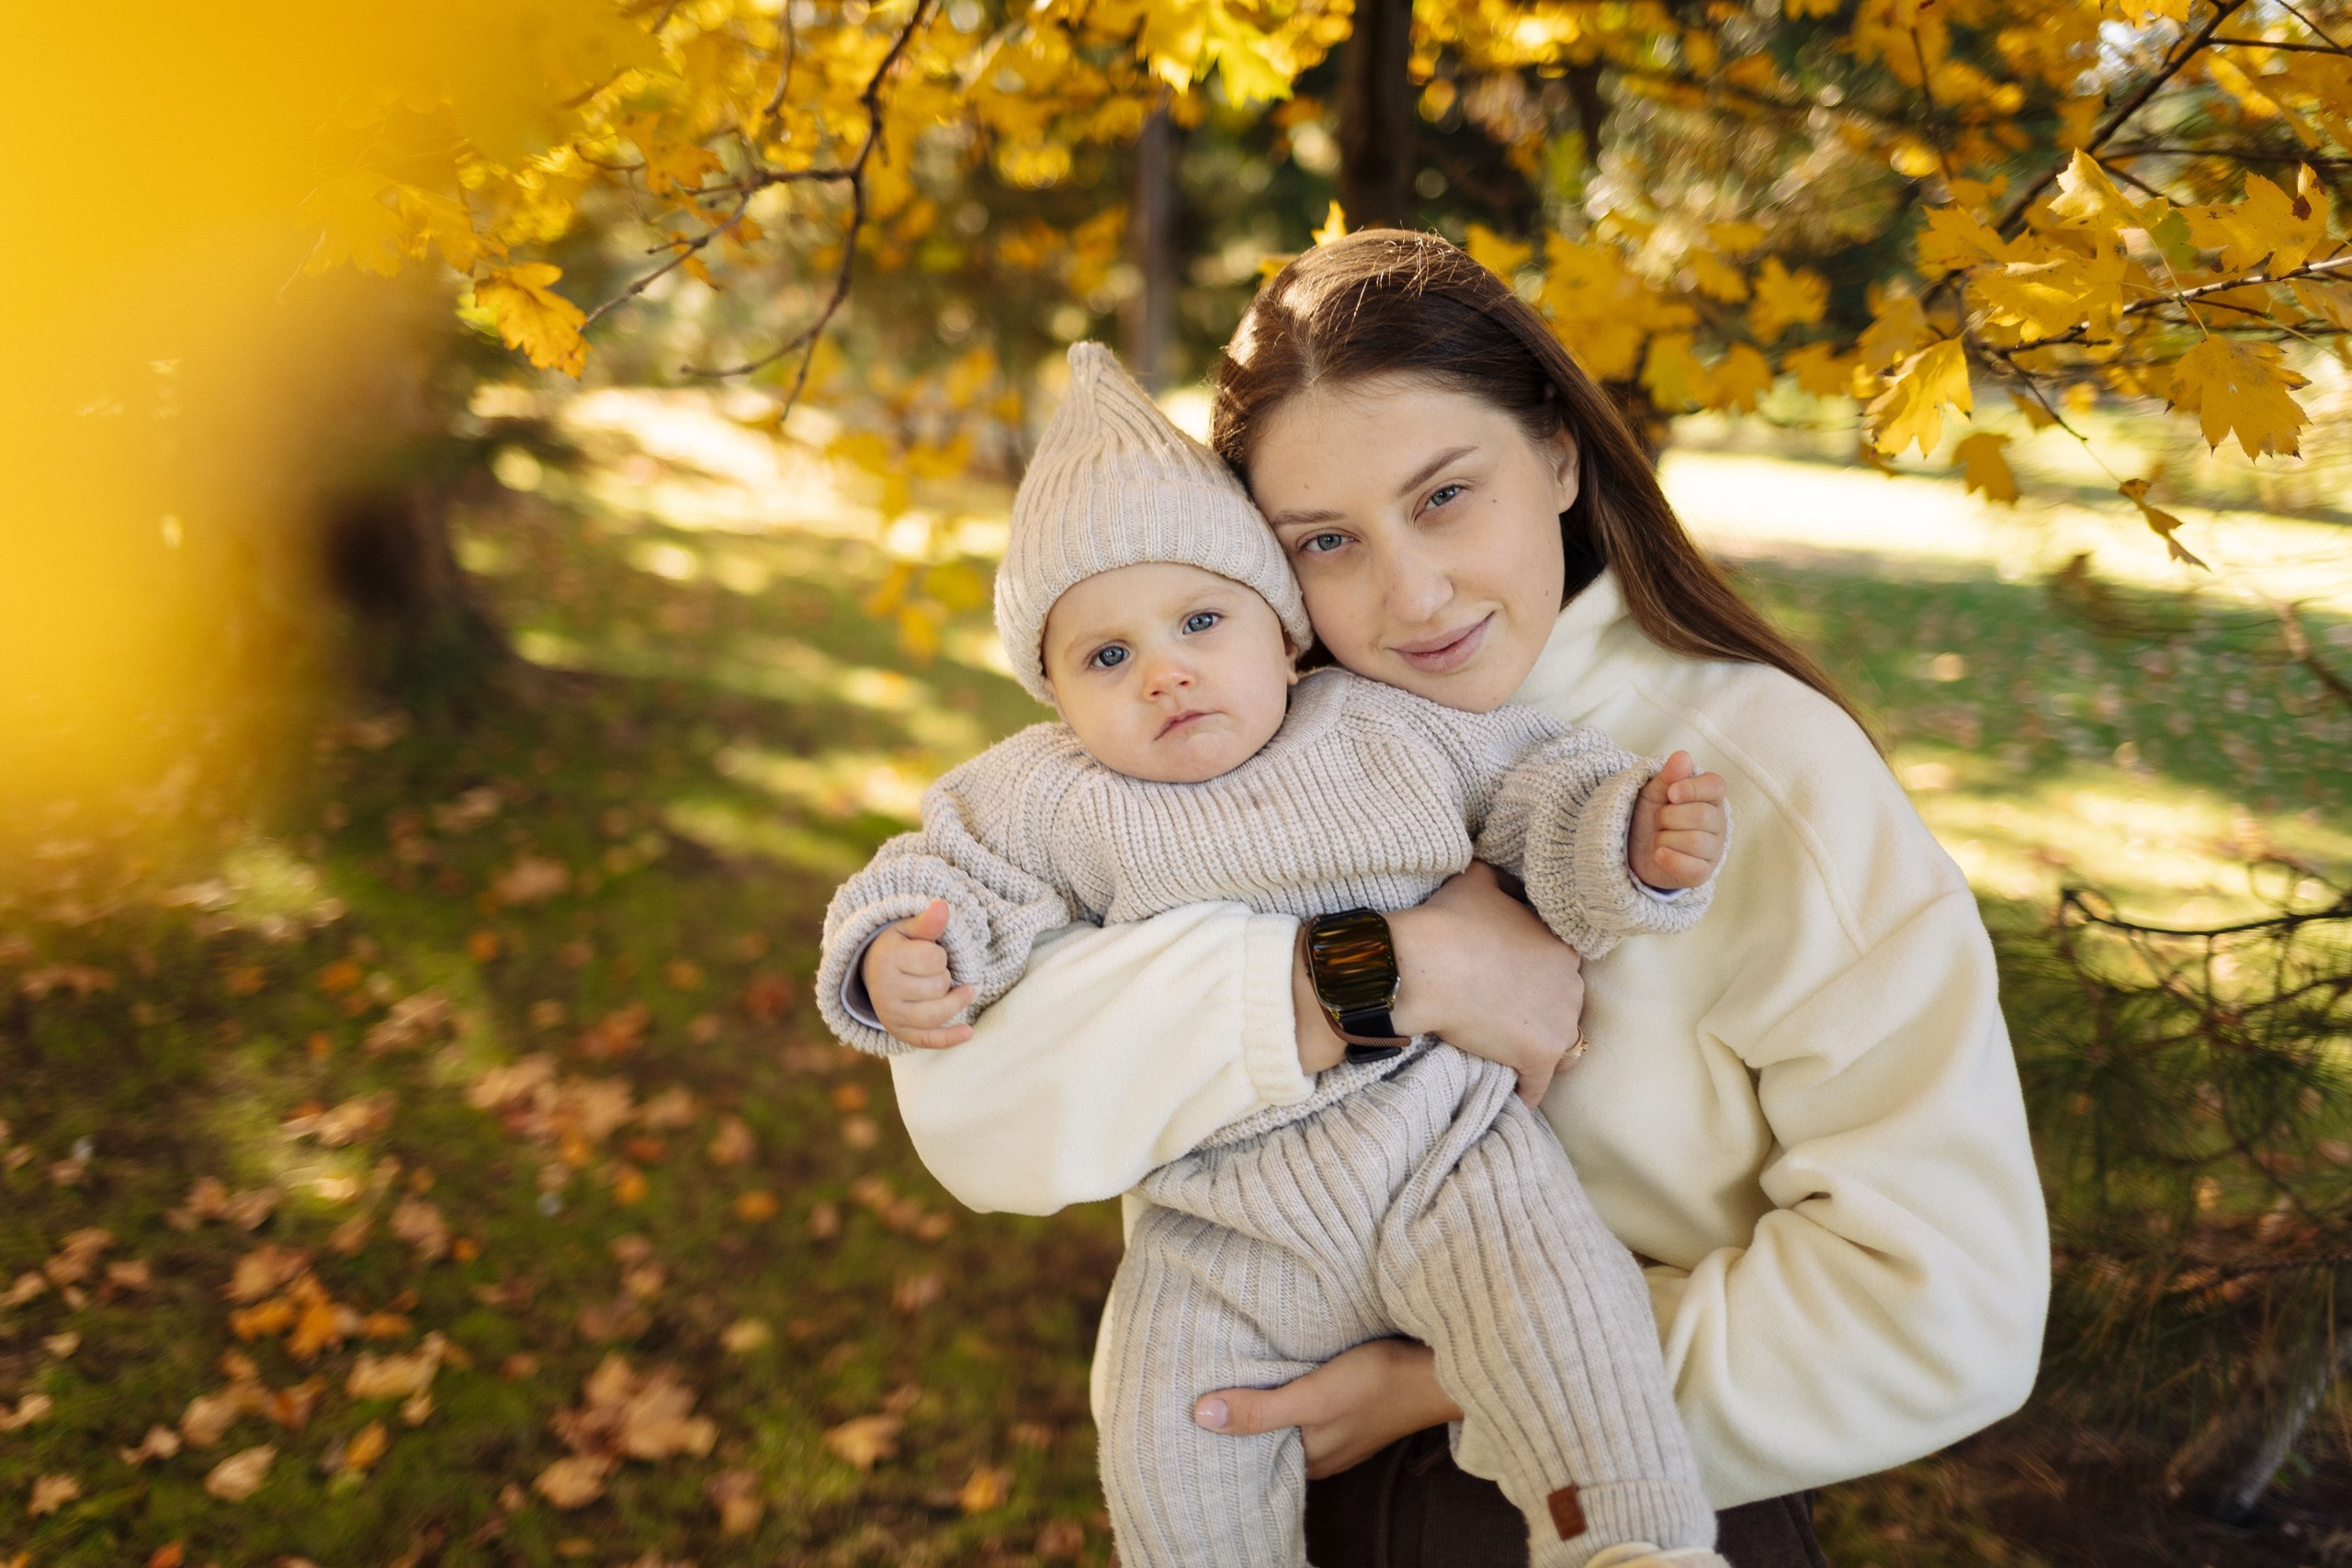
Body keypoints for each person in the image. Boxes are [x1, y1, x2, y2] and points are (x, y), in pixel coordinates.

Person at [880, 231, 2050, 1568]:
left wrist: (1447, 1382)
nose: (1411, 592)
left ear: (1556, 454)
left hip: (1617, 1492)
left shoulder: (1753, 774)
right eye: (1325, 540)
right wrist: (1384, 971)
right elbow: (972, 1110)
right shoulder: (1209, 756)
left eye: (1445, 497)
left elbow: (1950, 1306)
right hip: (1265, 1479)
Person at [819, 341, 1736, 1568]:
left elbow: (1540, 790)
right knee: (1162, 1419)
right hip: (1218, 1224)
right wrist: (897, 951)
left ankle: (1630, 1541)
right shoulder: (1048, 795)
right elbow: (937, 874)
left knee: (1564, 1316)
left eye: (1201, 619)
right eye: (1107, 657)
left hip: (1444, 1159)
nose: (1166, 671)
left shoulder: (1386, 723)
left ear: (1283, 631)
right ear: (1051, 692)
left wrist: (1627, 837)